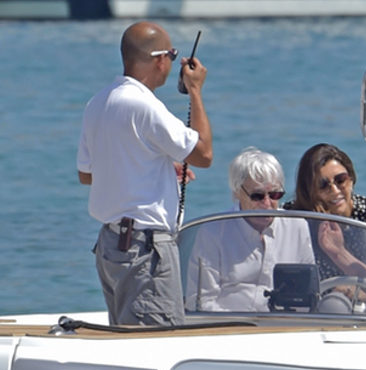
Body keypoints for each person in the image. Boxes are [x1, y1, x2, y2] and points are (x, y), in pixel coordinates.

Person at [76, 21, 213, 326]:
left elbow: (87, 175)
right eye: (173, 54)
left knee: (128, 343)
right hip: (144, 249)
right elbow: (203, 154)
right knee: (156, 343)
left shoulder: (98, 103)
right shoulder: (146, 106)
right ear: (160, 59)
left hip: (112, 245)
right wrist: (195, 91)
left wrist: (156, 166)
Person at [185, 147, 315, 312]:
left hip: (285, 326)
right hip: (229, 328)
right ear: (237, 192)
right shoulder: (213, 232)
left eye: (275, 195)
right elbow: (201, 302)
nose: (267, 204)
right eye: (257, 196)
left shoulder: (297, 227)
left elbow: (307, 295)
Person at [283, 143, 366, 282]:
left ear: (351, 179)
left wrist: (339, 253)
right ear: (309, 191)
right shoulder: (294, 217)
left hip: (364, 299)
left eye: (340, 180)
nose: (335, 190)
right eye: (323, 185)